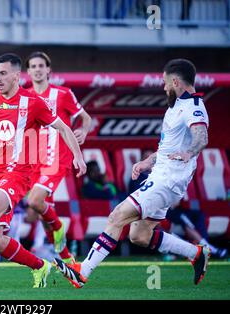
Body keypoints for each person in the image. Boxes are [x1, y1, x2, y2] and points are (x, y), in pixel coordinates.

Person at [55, 58, 211, 288]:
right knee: (139, 235)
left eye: (165, 82)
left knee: (117, 216)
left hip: (168, 181)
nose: (164, 86)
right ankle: (196, 253)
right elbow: (169, 147)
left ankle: (82, 272)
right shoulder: (176, 106)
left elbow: (201, 137)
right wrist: (147, 161)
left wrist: (189, 152)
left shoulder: (194, 107)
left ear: (176, 81)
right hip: (160, 175)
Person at [0, 53, 87, 287]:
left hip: (18, 173)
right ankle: (40, 266)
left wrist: (78, 158)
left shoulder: (32, 102)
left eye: (3, 73)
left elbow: (63, 128)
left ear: (16, 76)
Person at [25, 51, 92, 264]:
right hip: (33, 162)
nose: (37, 69)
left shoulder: (62, 94)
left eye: (40, 66)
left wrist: (84, 130)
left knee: (34, 201)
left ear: (48, 70)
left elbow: (85, 117)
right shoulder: (24, 95)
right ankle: (63, 255)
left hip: (56, 159)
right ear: (28, 71)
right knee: (44, 214)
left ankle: (60, 239)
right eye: (33, 66)